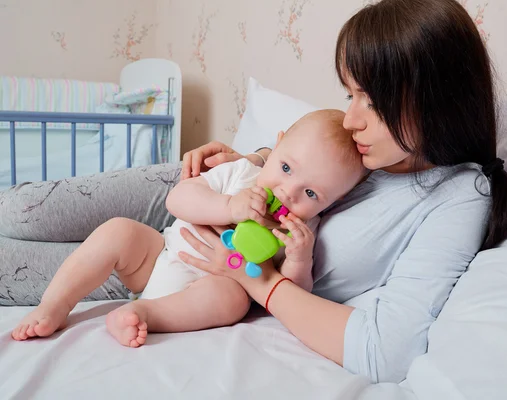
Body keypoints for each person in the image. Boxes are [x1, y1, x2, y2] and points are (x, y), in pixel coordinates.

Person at [171, 0, 507, 383]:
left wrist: (250, 277)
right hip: (206, 200)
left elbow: (384, 352)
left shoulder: (459, 195)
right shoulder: (378, 152)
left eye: (372, 102)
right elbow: (315, 158)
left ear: (436, 102)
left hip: (207, 273)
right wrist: (254, 161)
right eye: (350, 96)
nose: (350, 120)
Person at [11, 110, 365, 347]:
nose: (287, 192)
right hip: (161, 257)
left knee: (233, 300)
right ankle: (54, 304)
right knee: (118, 231)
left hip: (207, 289)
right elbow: (177, 199)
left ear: (329, 202)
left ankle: (146, 315)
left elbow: (293, 296)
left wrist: (299, 261)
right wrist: (229, 205)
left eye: (310, 193)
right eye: (286, 168)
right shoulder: (241, 174)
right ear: (278, 144)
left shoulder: (303, 229)